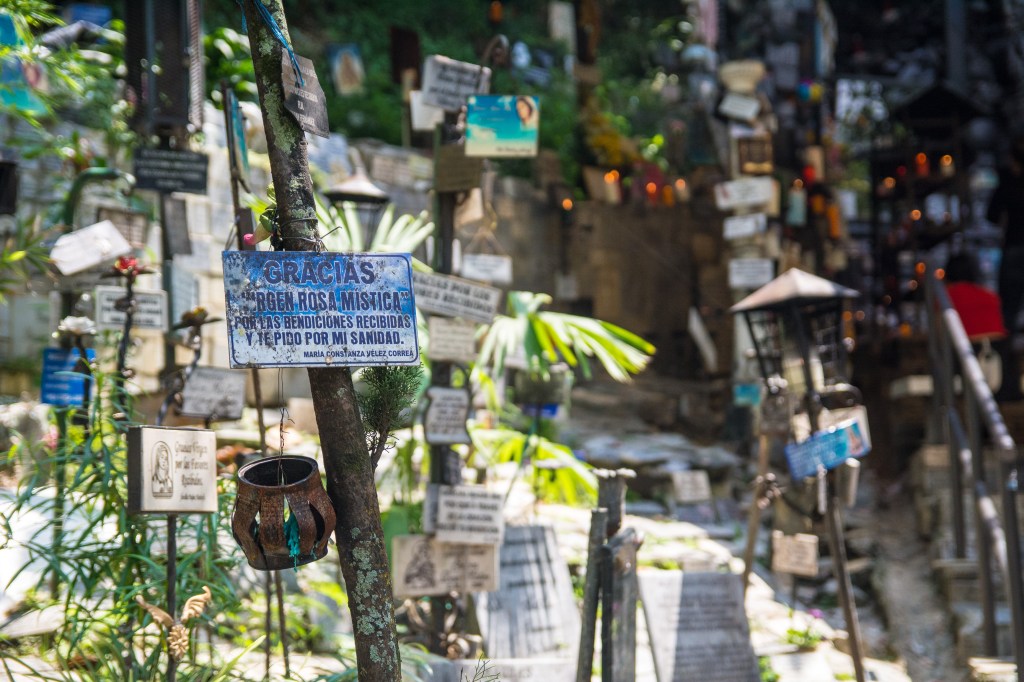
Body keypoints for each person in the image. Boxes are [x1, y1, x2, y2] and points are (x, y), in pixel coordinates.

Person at [985, 137, 1024, 400]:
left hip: (1014, 250)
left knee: (1007, 319)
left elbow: (992, 215)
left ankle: (1010, 385)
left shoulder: (1008, 182)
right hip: (1013, 251)